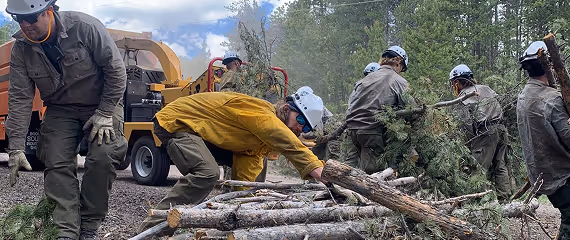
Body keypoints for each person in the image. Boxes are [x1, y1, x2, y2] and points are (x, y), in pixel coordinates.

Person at [5, 1, 128, 239]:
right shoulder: (21, 49)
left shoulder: (85, 27)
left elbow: (116, 71)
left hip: (102, 103)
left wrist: (104, 113)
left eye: (31, 18)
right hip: (60, 109)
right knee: (55, 160)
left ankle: (89, 226)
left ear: (48, 12)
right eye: (19, 19)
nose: (25, 25)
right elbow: (20, 98)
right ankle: (66, 231)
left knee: (104, 156)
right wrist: (16, 147)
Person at [137, 87, 327, 237]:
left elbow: (247, 172)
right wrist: (316, 168)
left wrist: (244, 207)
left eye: (306, 126)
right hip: (179, 123)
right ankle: (152, 230)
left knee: (254, 179)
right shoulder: (261, 113)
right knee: (207, 173)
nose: (300, 128)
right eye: (300, 119)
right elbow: (284, 140)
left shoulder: (259, 141)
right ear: (287, 109)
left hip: (205, 134)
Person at [517, 41, 570, 239]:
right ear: (550, 66)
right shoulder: (552, 99)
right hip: (561, 176)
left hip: (540, 175)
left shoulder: (523, 96)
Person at [344, 46, 413, 174]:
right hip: (371, 131)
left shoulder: (365, 79)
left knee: (358, 167)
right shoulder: (399, 81)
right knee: (373, 173)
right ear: (399, 63)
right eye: (402, 69)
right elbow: (411, 109)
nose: (401, 72)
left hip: (352, 130)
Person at [448, 64, 512, 202]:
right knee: (501, 166)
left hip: (484, 133)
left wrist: (468, 143)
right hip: (501, 129)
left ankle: (478, 201)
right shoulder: (487, 89)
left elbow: (466, 125)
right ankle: (504, 200)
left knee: (478, 169)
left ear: (457, 82)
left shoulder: (463, 97)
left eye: (454, 83)